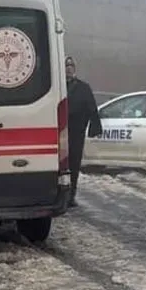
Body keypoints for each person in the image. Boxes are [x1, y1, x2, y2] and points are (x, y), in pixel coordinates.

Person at [64, 56, 102, 207]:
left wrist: (95, 127)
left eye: (71, 66)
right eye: (66, 66)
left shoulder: (83, 88)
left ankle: (71, 195)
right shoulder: (56, 86)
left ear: (74, 69)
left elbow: (92, 108)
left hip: (76, 132)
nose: (68, 69)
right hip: (58, 132)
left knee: (74, 164)